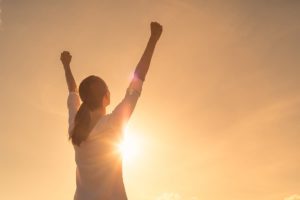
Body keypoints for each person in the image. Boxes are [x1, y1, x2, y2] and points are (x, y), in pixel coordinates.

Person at [60, 22, 163, 200]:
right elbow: (137, 82)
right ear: (106, 96)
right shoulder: (113, 123)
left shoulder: (75, 128)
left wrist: (66, 65)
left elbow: (72, 92)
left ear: (85, 99)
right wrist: (153, 39)